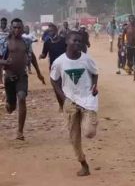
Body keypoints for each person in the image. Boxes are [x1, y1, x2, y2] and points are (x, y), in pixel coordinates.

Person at [50, 31, 99, 177]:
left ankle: (90, 121)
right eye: (75, 41)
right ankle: (83, 164)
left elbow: (95, 73)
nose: (77, 43)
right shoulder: (59, 62)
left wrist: (95, 85)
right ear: (67, 42)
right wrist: (62, 97)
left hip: (87, 100)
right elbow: (54, 79)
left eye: (80, 41)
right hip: (70, 101)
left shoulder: (86, 59)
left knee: (89, 132)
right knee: (74, 137)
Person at [0, 18, 45, 140]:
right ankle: (8, 103)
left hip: (22, 76)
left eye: (19, 27)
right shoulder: (4, 41)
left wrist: (39, 74)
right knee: (11, 108)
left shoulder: (26, 41)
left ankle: (20, 132)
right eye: (14, 27)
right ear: (11, 27)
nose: (17, 30)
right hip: (9, 77)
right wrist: (5, 61)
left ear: (22, 27)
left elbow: (33, 57)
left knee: (22, 97)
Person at [40, 23, 67, 109]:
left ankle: (67, 103)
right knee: (56, 87)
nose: (50, 32)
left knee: (65, 85)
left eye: (52, 30)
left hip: (65, 66)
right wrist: (41, 56)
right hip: (53, 67)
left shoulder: (63, 40)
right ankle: (61, 104)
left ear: (56, 30)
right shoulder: (47, 43)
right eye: (49, 31)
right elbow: (44, 54)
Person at [0, 17, 10, 88]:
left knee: (7, 66)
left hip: (7, 51)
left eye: (5, 23)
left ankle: (7, 81)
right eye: (2, 22)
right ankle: (0, 81)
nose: (3, 24)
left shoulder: (9, 31)